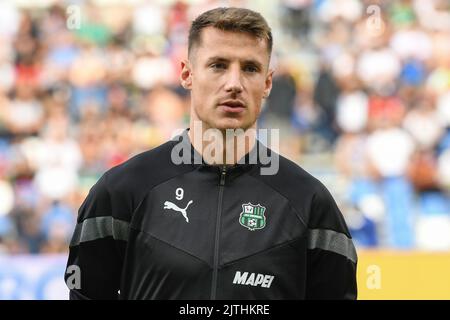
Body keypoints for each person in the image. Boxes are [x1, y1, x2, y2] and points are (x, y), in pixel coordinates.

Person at [64, 7, 357, 300]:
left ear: (267, 83)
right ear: (187, 74)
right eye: (218, 65)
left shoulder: (310, 203)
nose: (234, 84)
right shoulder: (121, 190)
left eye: (250, 68)